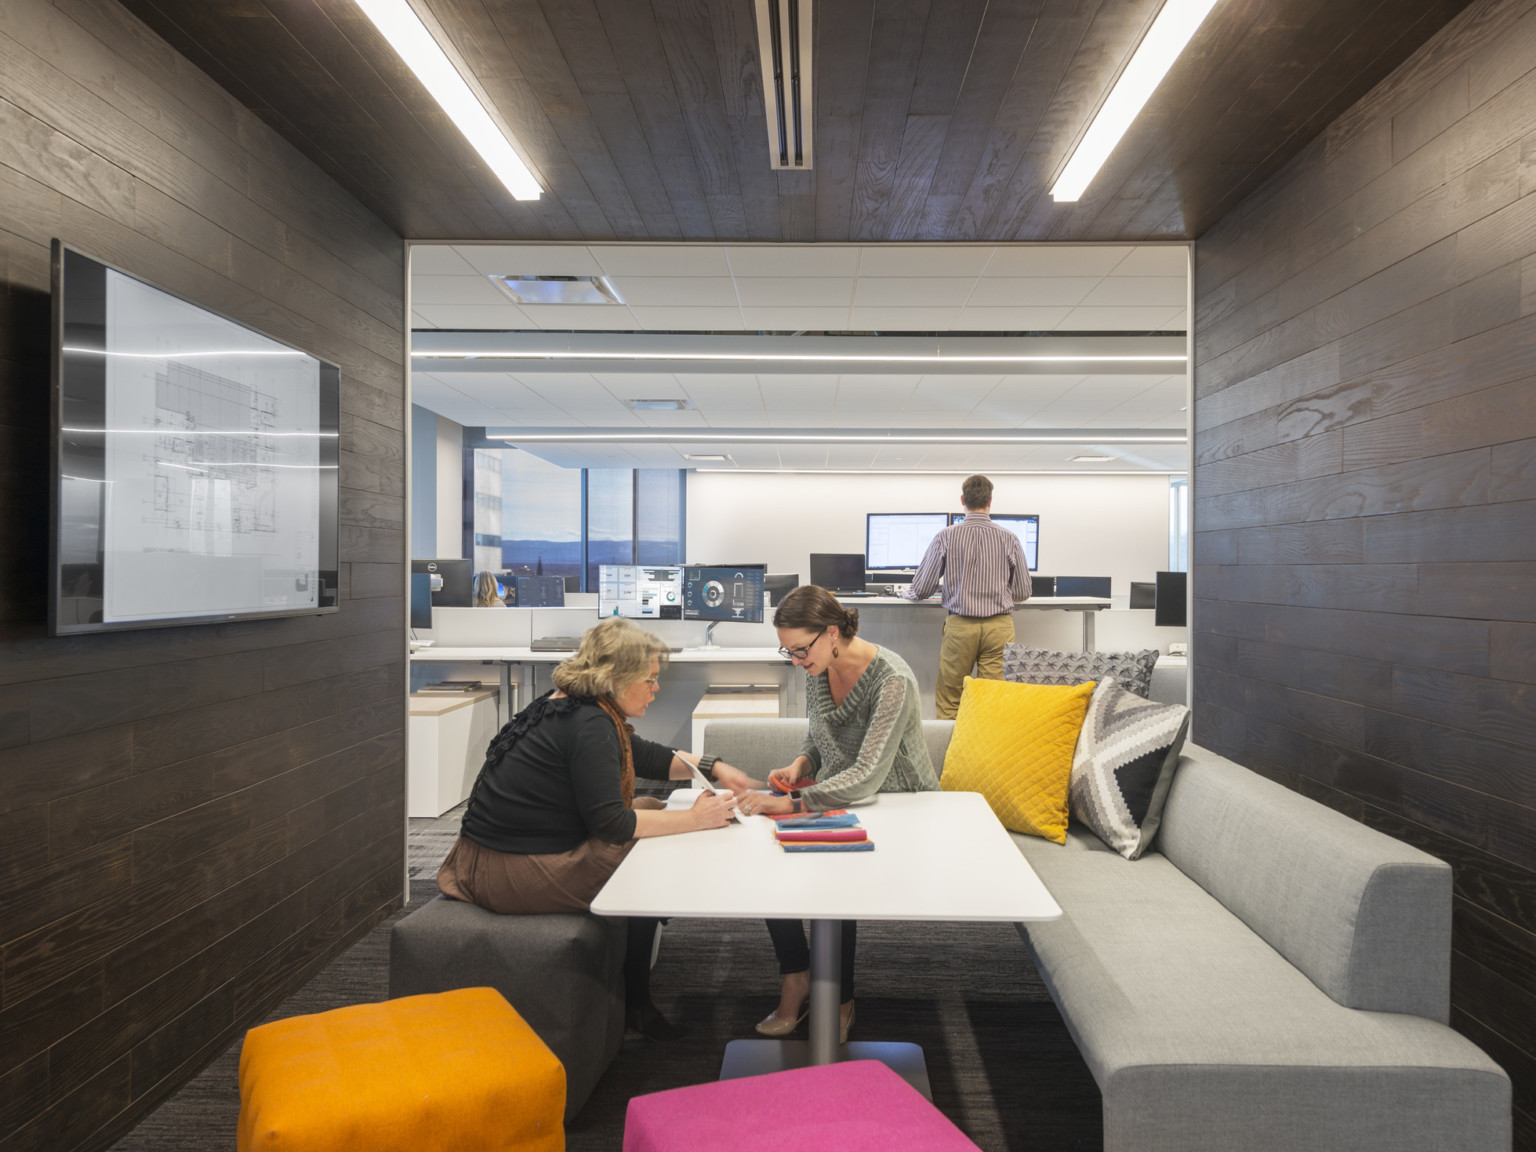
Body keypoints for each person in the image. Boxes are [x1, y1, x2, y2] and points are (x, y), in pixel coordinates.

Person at [436, 616, 751, 1040]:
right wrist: (696, 819)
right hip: (503, 870)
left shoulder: (576, 706)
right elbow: (612, 824)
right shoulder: (589, 725)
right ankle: (635, 1002)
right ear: (616, 679)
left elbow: (648, 756)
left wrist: (714, 767)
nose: (657, 689)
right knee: (643, 857)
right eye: (650, 679)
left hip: (492, 853)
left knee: (651, 809)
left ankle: (634, 976)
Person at [738, 584, 939, 1042]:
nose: (796, 661)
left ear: (832, 632)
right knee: (769, 859)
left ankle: (839, 998)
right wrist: (801, 764)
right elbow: (818, 734)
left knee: (835, 880)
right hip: (840, 797)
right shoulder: (816, 664)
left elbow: (869, 773)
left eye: (800, 650)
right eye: (787, 652)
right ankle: (798, 975)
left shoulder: (893, 681)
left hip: (901, 805)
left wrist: (791, 802)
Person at [903, 474, 1032, 719]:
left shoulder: (946, 536)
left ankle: (950, 755)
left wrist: (907, 593)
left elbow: (922, 588)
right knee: (993, 698)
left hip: (960, 626)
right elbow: (1023, 592)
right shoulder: (1010, 538)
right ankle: (988, 754)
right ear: (990, 501)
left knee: (951, 699)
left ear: (962, 499)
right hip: (999, 628)